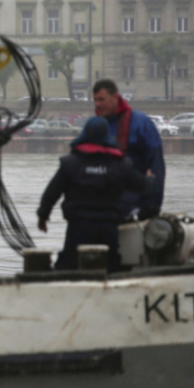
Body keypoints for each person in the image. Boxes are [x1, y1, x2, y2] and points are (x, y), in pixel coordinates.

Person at [37, 116, 154, 272]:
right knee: (112, 268)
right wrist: (150, 179)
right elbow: (141, 186)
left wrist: (43, 216)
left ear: (84, 134)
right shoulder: (121, 164)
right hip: (109, 229)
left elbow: (51, 193)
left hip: (78, 228)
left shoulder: (69, 163)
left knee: (68, 267)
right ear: (107, 136)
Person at [92, 79, 165, 220]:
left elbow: (156, 166)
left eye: (101, 99)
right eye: (95, 100)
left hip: (134, 208)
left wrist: (152, 205)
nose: (97, 105)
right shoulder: (95, 127)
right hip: (102, 210)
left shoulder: (141, 124)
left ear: (115, 97)